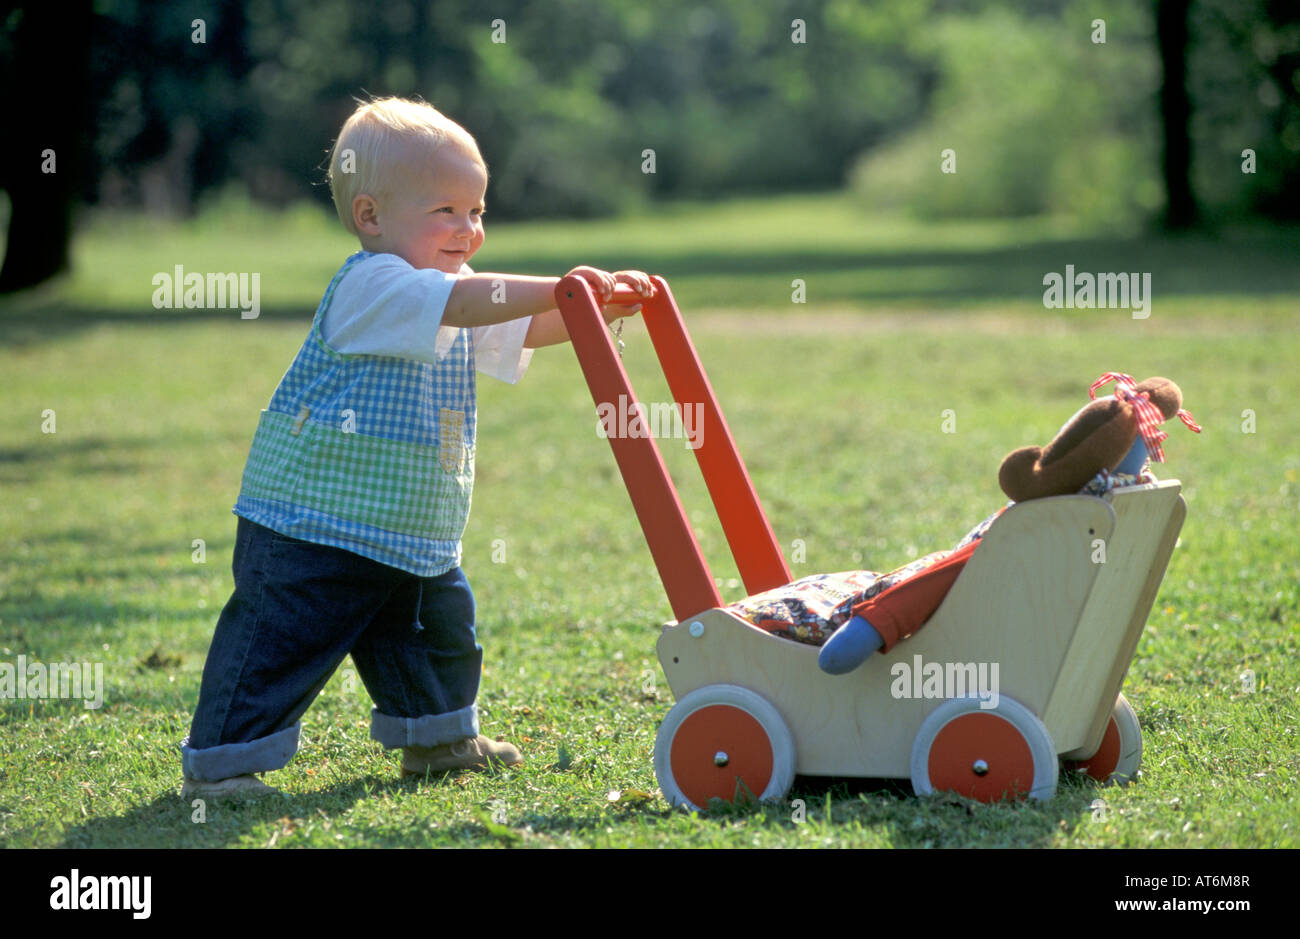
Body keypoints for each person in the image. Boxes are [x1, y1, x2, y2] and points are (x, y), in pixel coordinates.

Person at [180, 96, 653, 798]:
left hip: (408, 526)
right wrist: (560, 287)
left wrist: (594, 311)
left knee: (434, 631)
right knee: (280, 641)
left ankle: (437, 736)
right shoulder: (374, 285)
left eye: (478, 211)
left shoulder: (449, 290)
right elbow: (472, 305)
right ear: (371, 216)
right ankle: (221, 763)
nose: (470, 230)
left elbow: (516, 328)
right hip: (315, 523)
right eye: (447, 212)